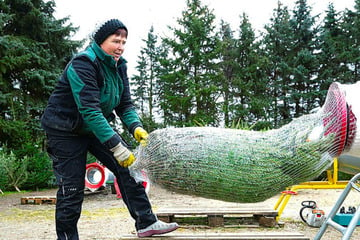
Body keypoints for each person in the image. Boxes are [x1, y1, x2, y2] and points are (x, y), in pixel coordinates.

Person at [41, 19, 178, 239]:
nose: (121, 46)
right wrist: (116, 146)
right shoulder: (83, 64)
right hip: (65, 130)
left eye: (124, 41)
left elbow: (125, 105)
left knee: (130, 168)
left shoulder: (119, 65)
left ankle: (146, 222)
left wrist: (136, 127)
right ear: (101, 41)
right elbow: (90, 110)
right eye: (116, 40)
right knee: (72, 187)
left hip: (93, 128)